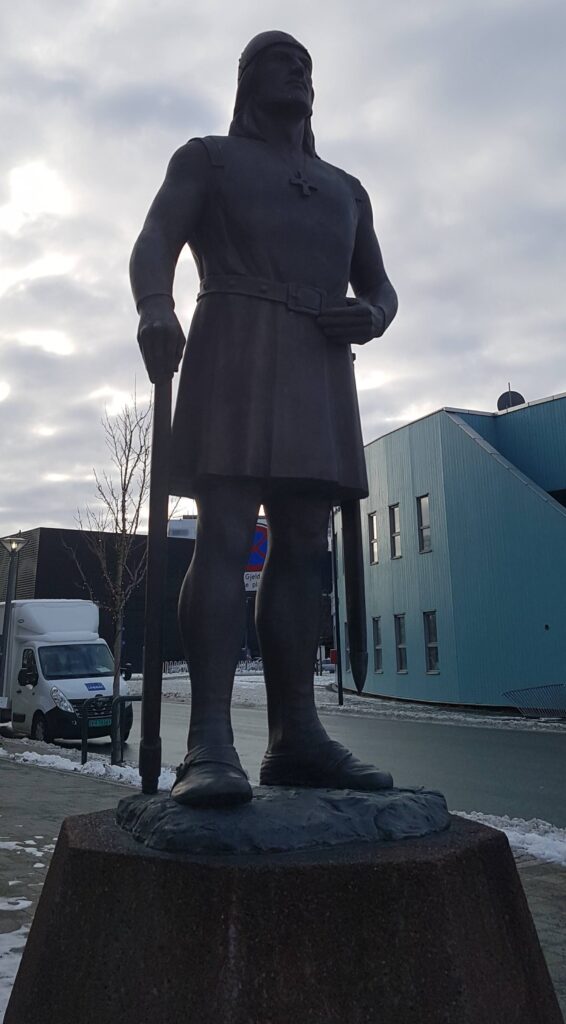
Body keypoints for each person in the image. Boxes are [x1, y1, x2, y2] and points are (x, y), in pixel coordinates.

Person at [130, 30, 398, 807]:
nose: (301, 71)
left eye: (309, 64)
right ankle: (208, 738)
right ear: (248, 81)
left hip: (318, 359)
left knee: (305, 543)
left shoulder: (347, 188)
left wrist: (372, 316)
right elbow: (155, 241)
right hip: (236, 341)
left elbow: (381, 286)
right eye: (283, 60)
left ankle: (297, 737)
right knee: (221, 531)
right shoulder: (206, 158)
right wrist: (154, 307)